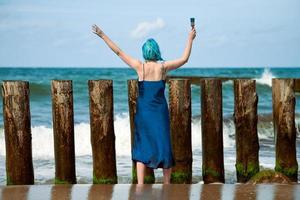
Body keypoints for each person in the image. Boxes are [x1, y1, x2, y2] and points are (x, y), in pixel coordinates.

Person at [92, 23, 196, 184]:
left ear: (145, 52)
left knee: (142, 146)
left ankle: (140, 184)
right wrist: (190, 38)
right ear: (157, 51)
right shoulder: (163, 67)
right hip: (160, 112)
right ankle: (167, 183)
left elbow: (118, 52)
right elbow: (184, 59)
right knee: (163, 143)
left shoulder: (140, 67)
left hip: (144, 114)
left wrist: (102, 34)